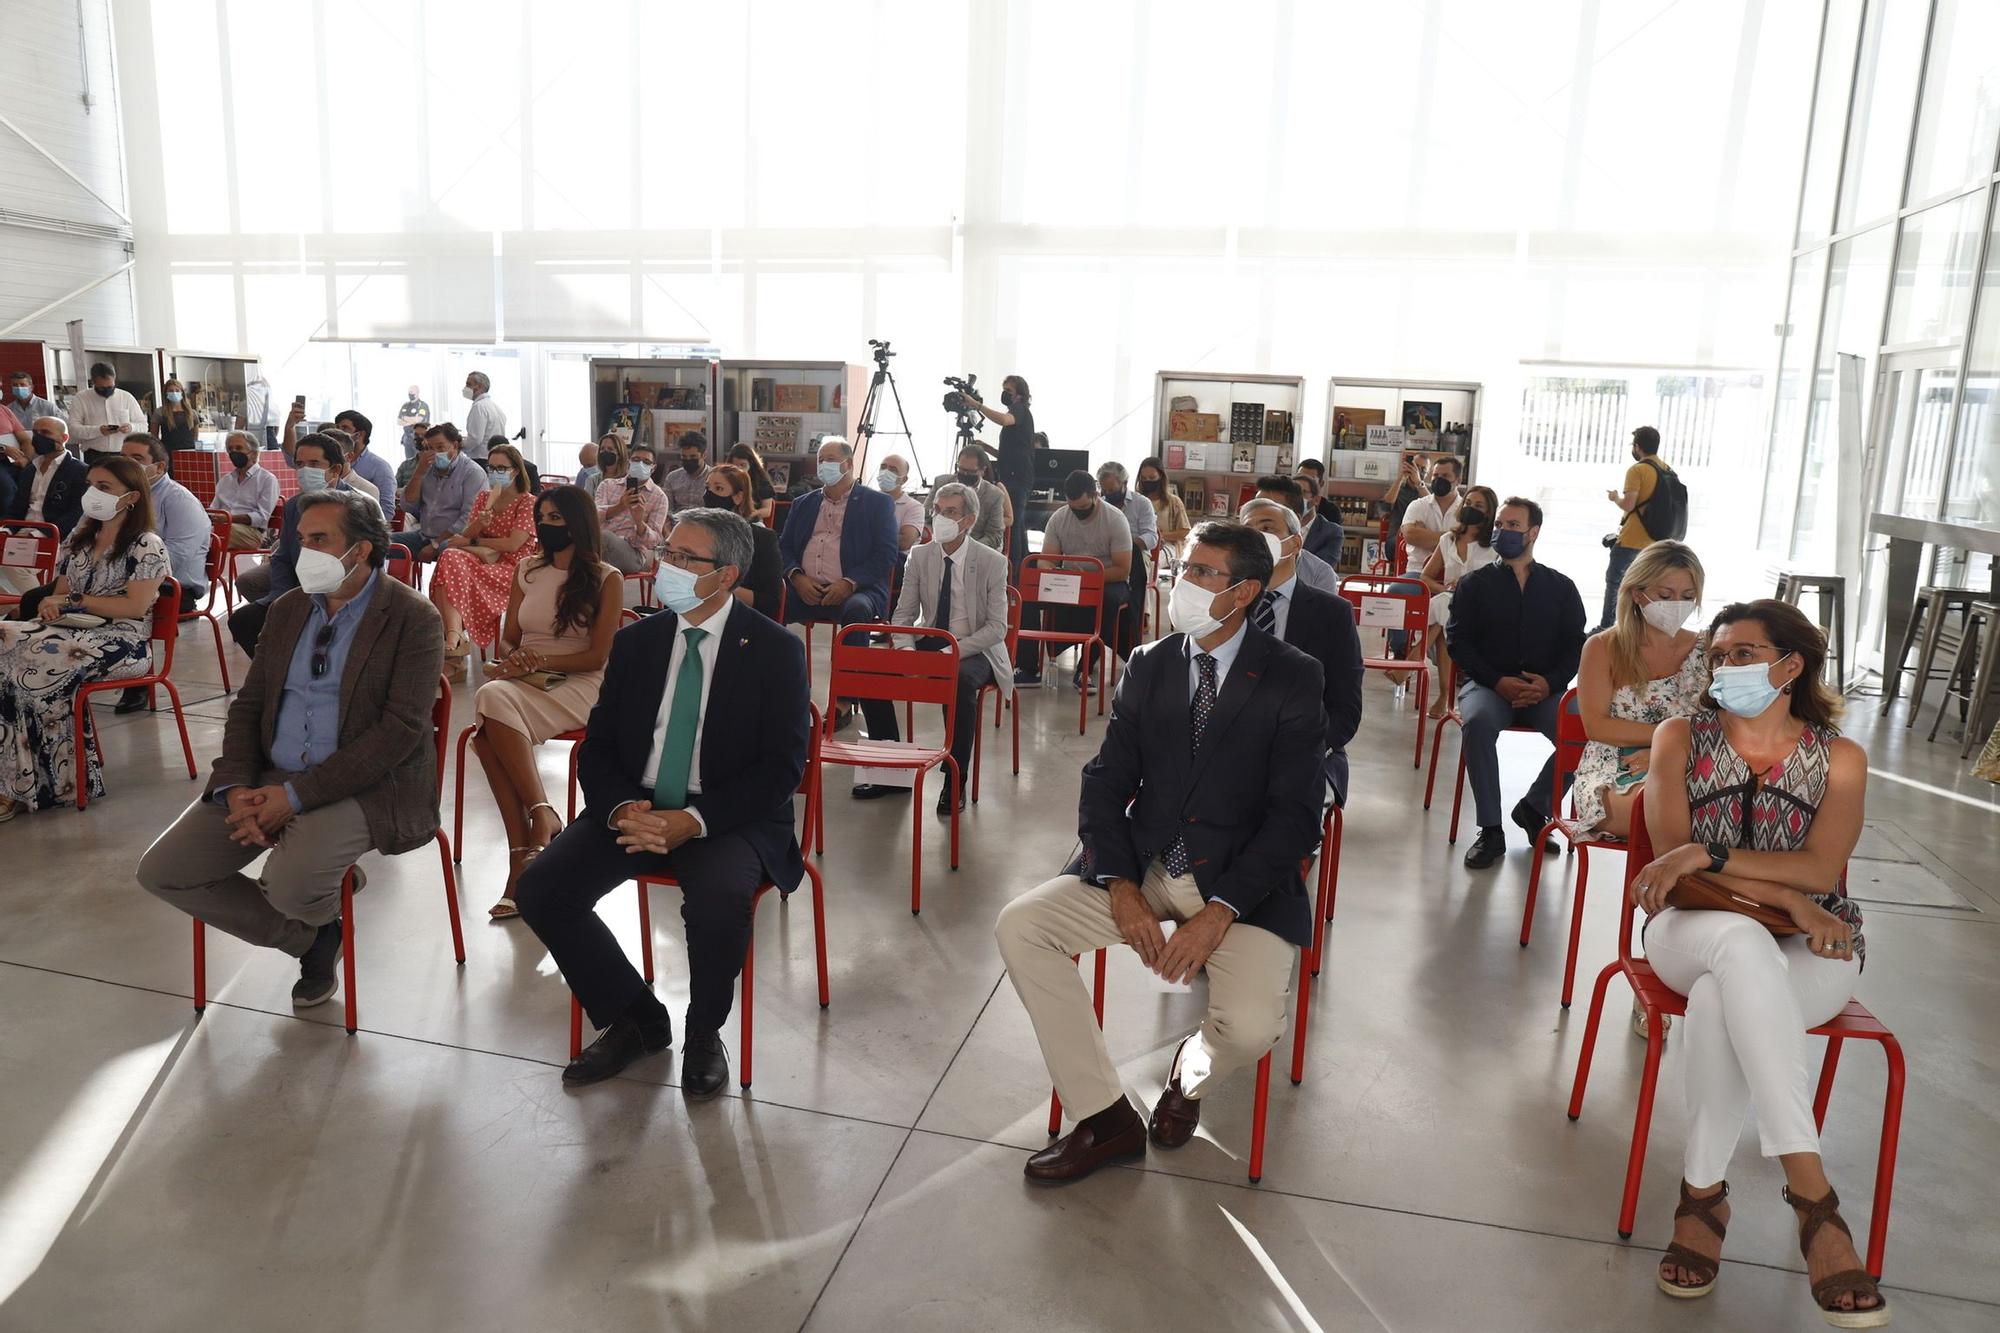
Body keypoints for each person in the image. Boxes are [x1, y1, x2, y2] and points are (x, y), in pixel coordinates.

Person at [993, 520, 1323, 1183]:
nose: (1183, 583)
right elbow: (1106, 782)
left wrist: (1220, 909)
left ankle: (1188, 1075)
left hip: (1238, 882)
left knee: (1251, 1027)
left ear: (1244, 591)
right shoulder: (1150, 663)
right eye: (1183, 568)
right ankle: (1105, 1116)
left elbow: (1295, 818)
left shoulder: (1291, 676)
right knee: (1022, 926)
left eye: (1204, 573)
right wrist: (1117, 883)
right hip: (1146, 866)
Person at [1624, 601, 1887, 1325]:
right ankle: (1813, 1196)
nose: (1725, 667)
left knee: (1719, 1000)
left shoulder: (1840, 758)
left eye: (1744, 652)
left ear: (1791, 664)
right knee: (1736, 949)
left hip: (1817, 947)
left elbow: (1823, 866)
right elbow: (1671, 878)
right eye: (1718, 655)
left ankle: (1702, 1197)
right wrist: (1791, 899)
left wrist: (1714, 854)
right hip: (1691, 930)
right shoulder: (1680, 737)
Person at [516, 508, 810, 1095]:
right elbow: (597, 748)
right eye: (667, 552)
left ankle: (705, 1030)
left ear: (724, 575)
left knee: (721, 898)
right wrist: (623, 808)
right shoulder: (637, 642)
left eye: (683, 558)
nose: (665, 566)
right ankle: (636, 1019)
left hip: (727, 814)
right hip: (639, 805)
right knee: (542, 887)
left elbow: (782, 769)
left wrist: (694, 821)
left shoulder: (774, 649)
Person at [137, 490, 445, 1008]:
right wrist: (236, 786)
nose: (305, 552)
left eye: (320, 540)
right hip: (268, 774)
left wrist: (295, 798)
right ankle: (314, 935)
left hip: (364, 785)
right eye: (301, 539)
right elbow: (250, 703)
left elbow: (400, 730)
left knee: (287, 887)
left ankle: (315, 890)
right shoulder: (287, 609)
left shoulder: (413, 617)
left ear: (363, 549)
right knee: (165, 872)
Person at [474, 486, 622, 918]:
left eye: (556, 518)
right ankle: (538, 827)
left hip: (581, 681)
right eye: (542, 517)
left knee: (488, 715)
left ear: (578, 524)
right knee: (491, 711)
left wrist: (540, 660)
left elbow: (598, 655)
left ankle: (527, 848)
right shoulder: (527, 570)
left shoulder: (605, 577)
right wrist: (516, 657)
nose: (545, 526)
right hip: (524, 679)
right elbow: (510, 637)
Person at [0, 456, 166, 819]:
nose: (94, 493)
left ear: (131, 497)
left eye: (105, 487)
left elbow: (135, 608)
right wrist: (51, 605)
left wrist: (75, 601)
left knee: (39, 667)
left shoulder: (146, 545)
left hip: (122, 641)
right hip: (71, 630)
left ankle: (52, 783)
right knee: (4, 641)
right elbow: (60, 593)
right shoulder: (81, 536)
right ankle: (12, 775)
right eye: (92, 485)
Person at [1445, 497, 1588, 870]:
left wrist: (1550, 682)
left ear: (1533, 532)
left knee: (1584, 735)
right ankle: (1491, 830)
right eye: (1500, 524)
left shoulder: (1561, 587)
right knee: (1476, 724)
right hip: (1488, 686)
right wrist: (1497, 680)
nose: (1502, 531)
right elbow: (1458, 642)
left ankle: (1534, 807)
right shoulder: (1474, 585)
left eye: (1512, 525)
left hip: (1544, 689)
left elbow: (1575, 645)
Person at [853, 482, 1011, 814]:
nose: (940, 517)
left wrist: (952, 652)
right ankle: (890, 770)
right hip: (930, 636)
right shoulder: (920, 555)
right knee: (868, 671)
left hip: (974, 646)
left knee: (962, 683)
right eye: (937, 510)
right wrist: (906, 648)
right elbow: (904, 613)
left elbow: (997, 628)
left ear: (969, 520)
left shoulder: (992, 561)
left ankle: (956, 778)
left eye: (950, 512)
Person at [1573, 541, 1708, 839]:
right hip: (1613, 768)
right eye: (1665, 595)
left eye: (1688, 596)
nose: (1677, 605)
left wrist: (1666, 752)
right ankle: (1665, 884)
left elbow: (1723, 722)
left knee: (1719, 809)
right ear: (1637, 593)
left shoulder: (1707, 648)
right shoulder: (1603, 647)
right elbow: (1596, 726)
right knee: (1664, 810)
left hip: (1690, 764)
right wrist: (1668, 742)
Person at [1238, 498, 1365, 802]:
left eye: (1266, 528)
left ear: (1295, 542)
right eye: (1248, 531)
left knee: (1284, 813)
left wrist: (1298, 748)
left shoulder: (1332, 614)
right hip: (1226, 746)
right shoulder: (1223, 606)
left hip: (1304, 750)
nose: (1257, 538)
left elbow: (1345, 708)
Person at [777, 436, 898, 724]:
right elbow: (784, 548)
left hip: (857, 589)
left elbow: (886, 554)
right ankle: (777, 689)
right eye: (821, 460)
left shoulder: (877, 503)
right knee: (769, 599)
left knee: (856, 610)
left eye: (831, 460)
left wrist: (849, 582)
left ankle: (845, 698)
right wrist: (796, 577)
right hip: (805, 587)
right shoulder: (803, 503)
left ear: (849, 464)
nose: (824, 466)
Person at [228, 433, 378, 656]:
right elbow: (284, 558)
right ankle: (279, 679)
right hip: (300, 592)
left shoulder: (361, 506)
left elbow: (370, 567)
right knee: (244, 621)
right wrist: (282, 599)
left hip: (343, 597)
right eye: (300, 464)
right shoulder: (295, 506)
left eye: (314, 464)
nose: (305, 470)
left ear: (335, 470)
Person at [114, 435, 209, 712]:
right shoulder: (114, 497)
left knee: (126, 606)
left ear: (160, 467)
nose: (127, 465)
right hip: (121, 579)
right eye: (123, 457)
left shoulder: (178, 500)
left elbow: (176, 557)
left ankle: (137, 682)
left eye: (137, 459)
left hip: (173, 586)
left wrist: (123, 576)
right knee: (37, 599)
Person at [1017, 470, 1131, 693]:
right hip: (1068, 580)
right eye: (1073, 507)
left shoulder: (1115, 519)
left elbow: (1122, 569)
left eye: (1083, 508)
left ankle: (1085, 670)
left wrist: (1089, 578)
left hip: (1106, 580)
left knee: (1108, 600)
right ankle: (1028, 668)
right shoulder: (1059, 518)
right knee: (1027, 597)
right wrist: (1063, 575)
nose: (1078, 513)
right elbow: (1045, 563)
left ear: (1095, 495)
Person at [430, 443, 539, 673]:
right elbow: (465, 536)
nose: (494, 472)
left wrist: (474, 542)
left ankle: (454, 647)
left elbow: (513, 544)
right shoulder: (484, 497)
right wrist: (480, 523)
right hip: (482, 561)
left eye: (501, 468)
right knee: (449, 557)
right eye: (491, 467)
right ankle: (455, 636)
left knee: (450, 567)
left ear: (515, 471)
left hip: (513, 567)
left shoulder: (527, 502)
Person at [1418, 483, 1503, 716]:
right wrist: (1445, 586)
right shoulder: (1447, 540)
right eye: (1467, 503)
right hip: (1451, 603)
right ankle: (1444, 695)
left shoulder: (1495, 545)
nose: (1471, 508)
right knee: (1448, 607)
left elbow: (1501, 585)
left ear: (1488, 512)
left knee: (1445, 607)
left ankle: (1415, 658)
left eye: (1478, 506)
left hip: (1482, 609)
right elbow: (1425, 577)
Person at [1601, 425, 1675, 631]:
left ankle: (1607, 627)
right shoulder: (1666, 469)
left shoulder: (1638, 470)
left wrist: (1615, 498)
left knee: (1615, 582)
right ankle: (1640, 628)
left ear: (1637, 447)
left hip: (1632, 538)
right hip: (1656, 541)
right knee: (1646, 587)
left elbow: (1629, 505)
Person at [395, 424, 486, 561]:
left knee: (447, 552)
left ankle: (441, 583)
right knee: (381, 543)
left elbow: (468, 518)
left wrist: (435, 544)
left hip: (454, 539)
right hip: (424, 535)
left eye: (440, 447)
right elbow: (407, 506)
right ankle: (391, 582)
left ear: (454, 446)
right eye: (430, 448)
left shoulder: (472, 473)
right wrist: (418, 473)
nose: (435, 453)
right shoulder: (426, 468)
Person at [971, 374, 1034, 571]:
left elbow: (1004, 420)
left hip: (1018, 478)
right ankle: (1022, 570)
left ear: (1019, 395)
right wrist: (986, 448)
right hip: (1012, 475)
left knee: (1013, 527)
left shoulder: (1019, 410)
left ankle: (1013, 573)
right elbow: (1009, 453)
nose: (1004, 394)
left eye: (1008, 391)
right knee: (1019, 526)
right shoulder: (1018, 413)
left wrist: (977, 405)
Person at [703, 463, 782, 618]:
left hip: (742, 619)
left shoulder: (762, 539)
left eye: (718, 489)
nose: (709, 495)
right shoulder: (696, 534)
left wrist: (720, 588)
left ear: (738, 497)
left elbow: (770, 602)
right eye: (707, 488)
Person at [591, 435, 668, 574]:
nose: (640, 464)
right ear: (628, 462)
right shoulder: (607, 485)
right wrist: (619, 507)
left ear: (653, 468)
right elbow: (592, 518)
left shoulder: (659, 497)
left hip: (633, 553)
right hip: (600, 547)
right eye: (636, 460)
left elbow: (655, 542)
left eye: (646, 462)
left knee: (604, 539)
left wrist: (640, 523)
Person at [1252, 475, 1337, 594]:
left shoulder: (1319, 574)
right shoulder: (1231, 567)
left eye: (1267, 526)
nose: (1257, 534)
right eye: (1249, 525)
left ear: (1294, 521)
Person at [4, 418, 88, 535]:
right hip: (22, 533)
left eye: (45, 432)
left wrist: (42, 534)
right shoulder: (30, 470)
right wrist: (7, 529)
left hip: (55, 535)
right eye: (35, 433)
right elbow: (17, 507)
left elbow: (77, 512)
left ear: (64, 438)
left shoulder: (80, 471)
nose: (38, 437)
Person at [214, 431, 281, 550]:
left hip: (252, 533)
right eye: (230, 449)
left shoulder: (267, 480)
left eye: (239, 448)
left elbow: (262, 517)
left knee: (215, 532)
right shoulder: (225, 480)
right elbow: (214, 509)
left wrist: (229, 518)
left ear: (254, 454)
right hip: (224, 527)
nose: (234, 452)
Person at [66, 362, 144, 456]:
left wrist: (131, 427)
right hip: (94, 454)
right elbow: (73, 429)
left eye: (110, 387)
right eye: (102, 388)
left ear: (114, 379)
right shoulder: (81, 398)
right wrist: (98, 431)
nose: (107, 390)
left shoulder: (126, 397)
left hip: (123, 453)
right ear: (93, 382)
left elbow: (143, 425)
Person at [943, 443, 1007, 553]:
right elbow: (926, 517)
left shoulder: (995, 495)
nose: (965, 474)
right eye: (961, 470)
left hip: (977, 548)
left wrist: (966, 548)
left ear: (983, 470)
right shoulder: (941, 483)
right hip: (943, 544)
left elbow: (994, 535)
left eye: (971, 472)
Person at [332, 409, 399, 506]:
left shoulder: (380, 467)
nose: (338, 432)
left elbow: (386, 508)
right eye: (337, 427)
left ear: (360, 435)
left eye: (345, 428)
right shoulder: (330, 462)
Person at [1135, 456, 1190, 558]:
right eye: (1144, 478)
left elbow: (1184, 531)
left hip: (1167, 546)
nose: (1148, 481)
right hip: (1141, 545)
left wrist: (1161, 536)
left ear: (1160, 476)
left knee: (1153, 557)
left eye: (1152, 478)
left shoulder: (1173, 502)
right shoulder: (1135, 501)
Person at [877, 454, 927, 552]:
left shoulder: (914, 507)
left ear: (904, 480)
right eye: (883, 467)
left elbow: (904, 542)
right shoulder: (867, 500)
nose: (885, 472)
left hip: (899, 563)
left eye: (893, 470)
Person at [1294, 472, 1344, 569]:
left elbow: (1322, 568)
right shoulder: (1280, 525)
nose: (1296, 499)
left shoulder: (1332, 532)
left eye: (1302, 493)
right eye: (1292, 494)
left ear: (1316, 500)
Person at [725, 443, 777, 525]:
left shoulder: (761, 480)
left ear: (751, 464)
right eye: (734, 466)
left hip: (752, 521)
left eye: (742, 465)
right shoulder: (725, 479)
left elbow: (767, 510)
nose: (739, 469)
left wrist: (750, 515)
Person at [662, 431, 710, 515]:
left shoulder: (713, 478)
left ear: (704, 455)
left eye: (693, 457)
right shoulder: (672, 478)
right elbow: (667, 509)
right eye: (684, 457)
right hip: (677, 523)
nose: (688, 460)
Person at [460, 371, 504, 462]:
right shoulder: (495, 407)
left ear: (479, 387)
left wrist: (458, 445)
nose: (465, 388)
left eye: (468, 384)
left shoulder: (479, 407)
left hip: (480, 459)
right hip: (493, 457)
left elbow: (475, 439)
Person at [152, 379, 200, 452]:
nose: (174, 393)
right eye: (171, 391)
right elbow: (154, 437)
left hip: (189, 451)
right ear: (166, 393)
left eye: (177, 390)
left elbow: (195, 437)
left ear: (182, 393)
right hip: (168, 452)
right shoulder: (159, 412)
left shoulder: (192, 413)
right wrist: (161, 449)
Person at [396, 385, 431, 459]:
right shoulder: (405, 405)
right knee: (409, 462)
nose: (410, 394)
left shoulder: (422, 405)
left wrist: (404, 418)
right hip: (407, 439)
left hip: (420, 439)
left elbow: (418, 420)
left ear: (417, 392)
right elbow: (399, 421)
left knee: (420, 460)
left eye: (412, 392)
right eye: (409, 392)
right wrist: (410, 421)